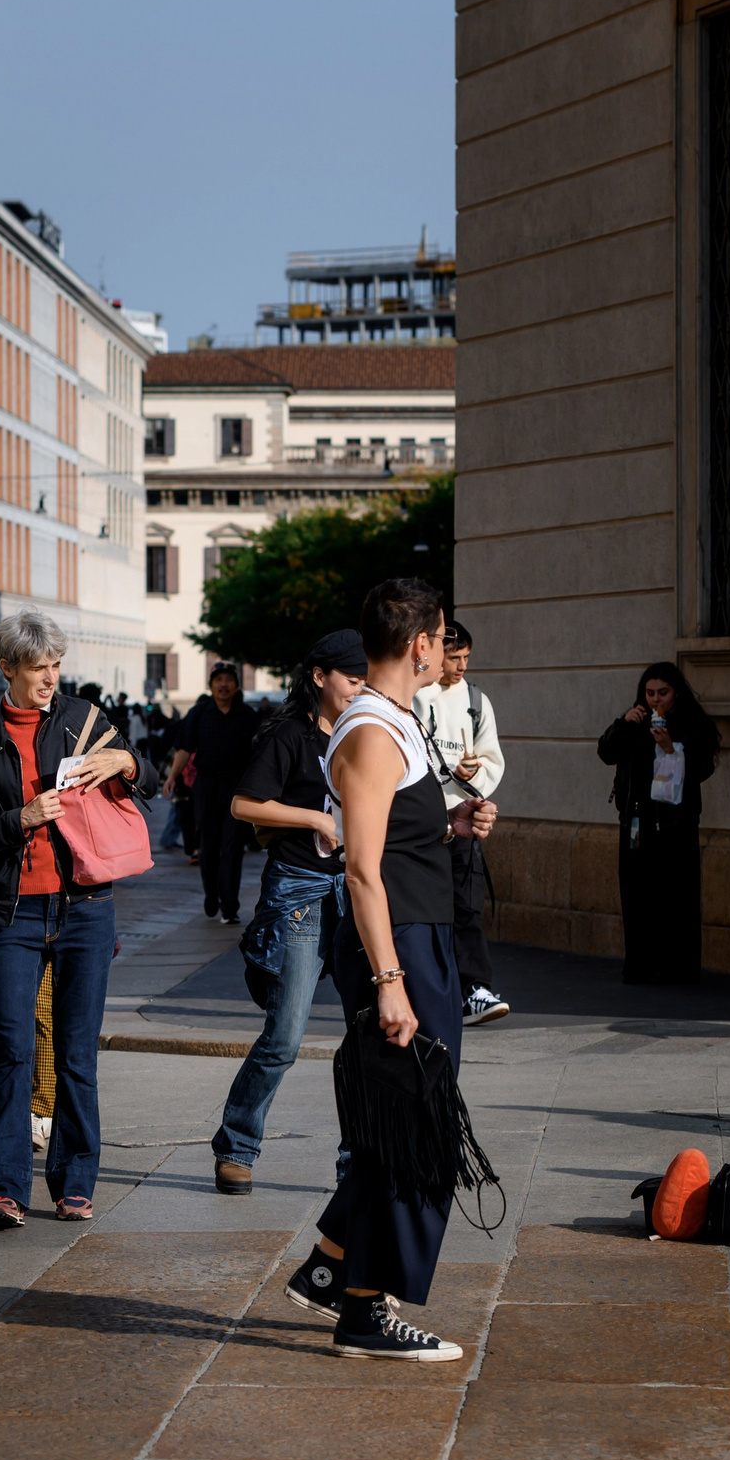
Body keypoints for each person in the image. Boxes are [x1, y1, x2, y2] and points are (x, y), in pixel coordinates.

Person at [281, 578, 496, 1361]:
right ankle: (365, 1312)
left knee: (406, 1119)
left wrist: (450, 824)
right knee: (415, 1127)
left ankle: (332, 1269)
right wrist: (390, 981)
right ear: (419, 644)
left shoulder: (395, 720)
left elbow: (394, 841)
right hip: (397, 946)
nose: (448, 649)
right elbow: (362, 868)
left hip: (417, 936)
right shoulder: (373, 729)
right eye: (442, 638)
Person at [0, 608, 146, 1228]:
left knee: (76, 1053)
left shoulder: (86, 720)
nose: (51, 679)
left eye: (56, 666)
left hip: (86, 908)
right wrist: (20, 819)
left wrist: (128, 763)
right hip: (13, 913)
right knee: (9, 1049)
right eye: (39, 668)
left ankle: (74, 1181)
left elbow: (146, 781)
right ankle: (5, 1188)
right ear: (6, 667)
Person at [213, 629, 371, 1196]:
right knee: (284, 1035)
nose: (360, 689)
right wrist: (317, 820)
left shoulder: (367, 734)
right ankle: (236, 1145)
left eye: (365, 679)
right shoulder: (289, 736)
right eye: (353, 679)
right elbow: (242, 803)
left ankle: (359, 1160)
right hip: (302, 891)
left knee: (366, 1033)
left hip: (359, 892)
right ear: (319, 677)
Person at [597, 662, 719, 984]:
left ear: (675, 692)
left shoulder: (690, 723)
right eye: (650, 693)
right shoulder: (635, 721)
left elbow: (704, 767)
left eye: (662, 693)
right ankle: (639, 964)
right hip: (637, 821)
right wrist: (623, 724)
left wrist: (671, 747)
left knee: (677, 895)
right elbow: (606, 752)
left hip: (675, 825)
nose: (656, 700)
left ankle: (678, 967)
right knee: (637, 893)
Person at [416, 617, 511, 1025]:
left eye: (466, 658)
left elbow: (493, 758)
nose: (460, 667)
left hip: (462, 821)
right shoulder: (417, 695)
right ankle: (431, 992)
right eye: (454, 658)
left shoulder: (476, 699)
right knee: (423, 910)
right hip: (420, 822)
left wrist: (473, 778)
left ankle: (475, 989)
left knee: (467, 908)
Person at [173, 663, 260, 922]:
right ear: (210, 685)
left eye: (228, 680)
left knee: (233, 848)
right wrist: (170, 777)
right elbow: (184, 749)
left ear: (236, 685)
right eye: (218, 680)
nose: (223, 685)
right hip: (206, 786)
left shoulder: (247, 715)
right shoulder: (199, 713)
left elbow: (259, 754)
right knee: (208, 847)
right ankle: (211, 894)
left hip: (237, 787)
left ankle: (229, 906)